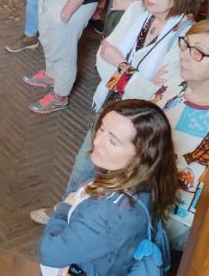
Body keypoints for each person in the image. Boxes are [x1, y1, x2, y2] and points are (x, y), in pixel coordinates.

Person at [39, 99, 177, 276]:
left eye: (112, 141)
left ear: (140, 155)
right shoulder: (138, 173)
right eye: (102, 129)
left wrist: (62, 211)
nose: (97, 141)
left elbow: (49, 252)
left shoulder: (110, 214)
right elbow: (80, 185)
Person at [156, 19, 209, 252]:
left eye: (198, 52)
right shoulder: (172, 87)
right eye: (185, 44)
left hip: (178, 218)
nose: (184, 55)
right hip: (142, 196)